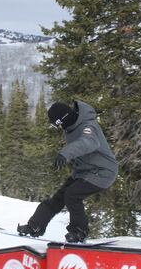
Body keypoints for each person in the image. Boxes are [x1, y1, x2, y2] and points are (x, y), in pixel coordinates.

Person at [17, 100, 118, 243]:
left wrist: (66, 153)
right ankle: (35, 226)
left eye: (58, 124)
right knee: (59, 198)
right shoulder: (69, 128)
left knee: (72, 195)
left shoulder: (88, 126)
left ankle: (79, 231)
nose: (59, 128)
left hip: (103, 171)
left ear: (64, 118)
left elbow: (88, 142)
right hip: (84, 172)